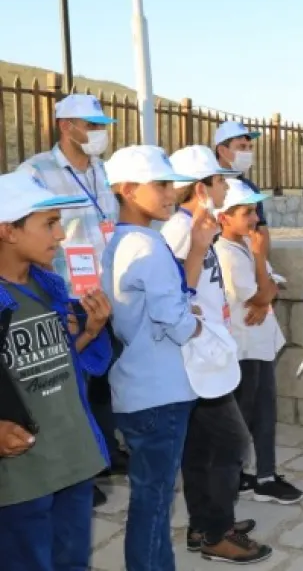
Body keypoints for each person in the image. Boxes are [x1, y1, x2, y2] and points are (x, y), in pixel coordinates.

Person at [100, 145, 208, 571]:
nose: (170, 193)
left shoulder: (119, 242)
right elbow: (176, 320)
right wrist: (195, 323)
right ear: (127, 190)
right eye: (160, 185)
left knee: (152, 499)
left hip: (136, 387)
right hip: (159, 393)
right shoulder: (148, 246)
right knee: (155, 502)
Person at [18, 93, 128, 506]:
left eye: (102, 126)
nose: (99, 133)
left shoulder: (101, 169)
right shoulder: (36, 173)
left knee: (101, 382)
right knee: (69, 384)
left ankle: (105, 457)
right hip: (66, 297)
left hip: (106, 292)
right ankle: (76, 473)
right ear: (66, 126)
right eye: (92, 125)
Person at [0, 170, 113, 571]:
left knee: (72, 561)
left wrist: (90, 333)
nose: (61, 235)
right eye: (48, 224)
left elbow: (57, 363)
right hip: (22, 476)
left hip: (72, 458)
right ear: (8, 231)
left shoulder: (50, 288)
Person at [163, 146, 270, 563]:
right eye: (221, 180)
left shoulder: (199, 225)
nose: (227, 185)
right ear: (201, 187)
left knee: (201, 448)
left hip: (210, 352)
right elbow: (171, 294)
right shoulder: (178, 229)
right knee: (232, 442)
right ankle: (217, 533)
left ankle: (202, 524)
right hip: (195, 356)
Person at [214, 180, 303, 506]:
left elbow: (273, 285)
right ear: (224, 217)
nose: (254, 218)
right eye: (246, 212)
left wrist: (266, 294)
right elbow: (257, 291)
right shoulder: (229, 252)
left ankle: (260, 473)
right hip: (246, 347)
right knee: (250, 414)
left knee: (263, 412)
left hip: (259, 342)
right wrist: (261, 262)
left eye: (254, 211)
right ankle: (249, 477)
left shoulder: (244, 248)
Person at [213, 121, 271, 261]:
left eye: (250, 147)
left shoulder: (250, 188)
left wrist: (262, 269)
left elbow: (261, 231)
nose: (247, 152)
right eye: (241, 147)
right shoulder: (207, 185)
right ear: (222, 150)